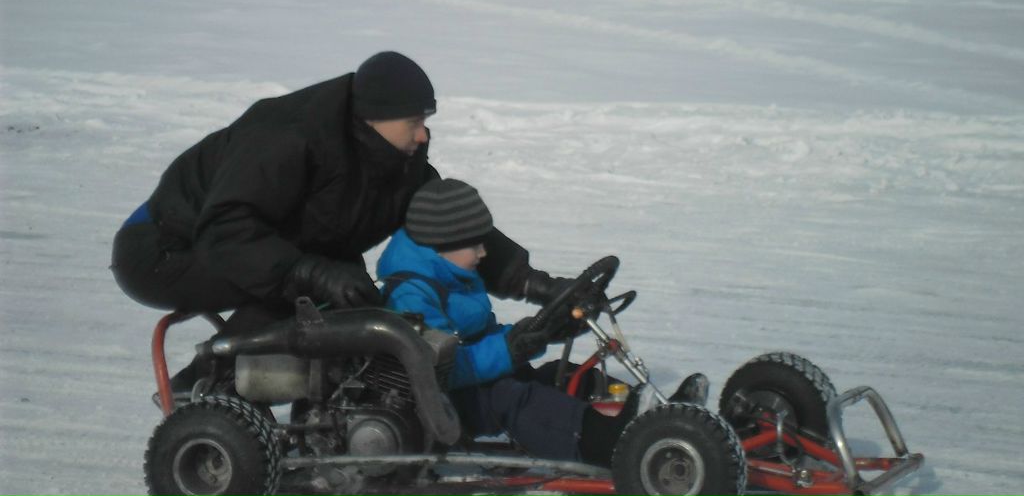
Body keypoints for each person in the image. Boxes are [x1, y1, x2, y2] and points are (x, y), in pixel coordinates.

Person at [111, 51, 574, 392]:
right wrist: (310, 272)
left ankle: (318, 415)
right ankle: (204, 395)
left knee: (342, 289)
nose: (424, 133)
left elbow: (445, 222)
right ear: (376, 118)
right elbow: (225, 231)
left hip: (253, 243)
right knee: (324, 293)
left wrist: (534, 284)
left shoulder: (395, 153)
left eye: (426, 120)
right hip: (164, 248)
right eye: (414, 120)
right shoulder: (289, 138)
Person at [378, 178, 707, 466]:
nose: (483, 253)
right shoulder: (412, 295)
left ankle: (648, 416)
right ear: (442, 244)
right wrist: (510, 349)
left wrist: (539, 331)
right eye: (474, 244)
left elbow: (477, 335)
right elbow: (437, 370)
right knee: (515, 398)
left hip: (466, 384)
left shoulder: (455, 272)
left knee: (556, 377)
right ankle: (605, 442)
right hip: (436, 404)